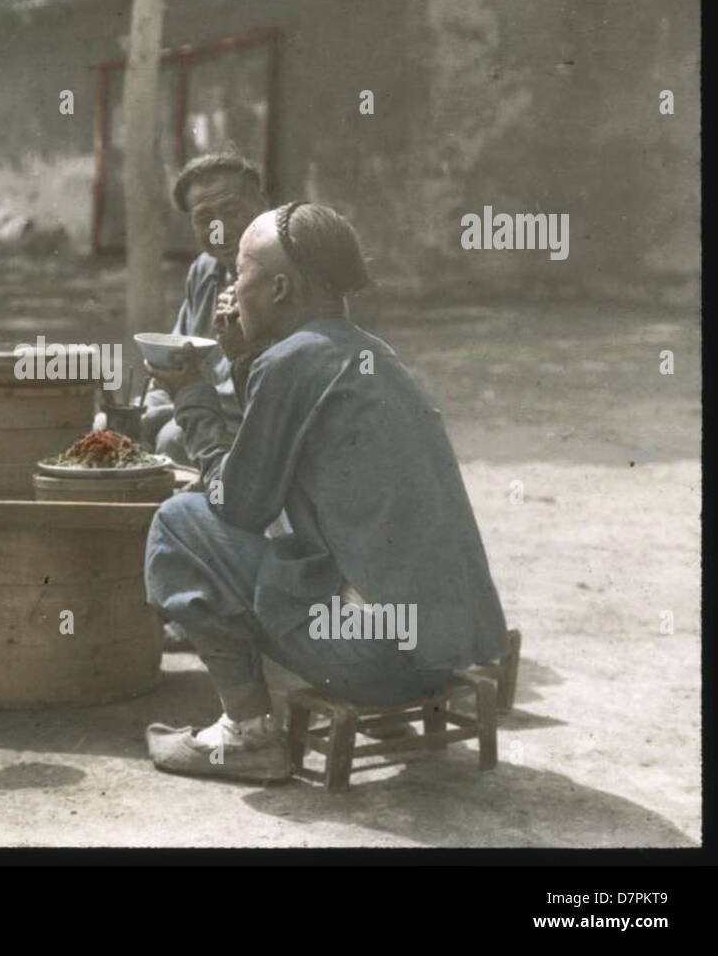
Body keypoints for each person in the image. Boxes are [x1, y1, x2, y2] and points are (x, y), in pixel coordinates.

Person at [141, 201, 509, 783]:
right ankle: (387, 718)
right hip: (443, 652)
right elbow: (288, 447)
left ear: (280, 288)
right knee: (320, 543)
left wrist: (191, 397)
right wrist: (243, 360)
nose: (232, 290)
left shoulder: (293, 361)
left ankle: (247, 735)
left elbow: (237, 503)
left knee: (177, 523)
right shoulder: (369, 353)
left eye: (240, 274)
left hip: (371, 658)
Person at [140, 152, 268, 652]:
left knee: (173, 441)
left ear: (262, 204)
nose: (219, 229)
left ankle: (211, 605)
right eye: (203, 219)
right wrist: (151, 412)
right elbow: (176, 348)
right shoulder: (204, 271)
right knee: (128, 439)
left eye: (231, 212)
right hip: (201, 414)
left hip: (260, 423)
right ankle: (179, 598)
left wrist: (175, 418)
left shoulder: (279, 272)